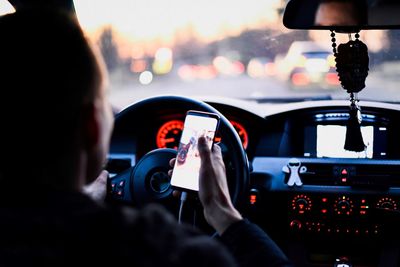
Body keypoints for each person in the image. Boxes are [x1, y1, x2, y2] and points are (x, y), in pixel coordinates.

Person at [0, 8, 292, 267]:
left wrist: (78, 203)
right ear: (91, 127)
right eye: (105, 104)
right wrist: (222, 212)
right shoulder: (173, 253)